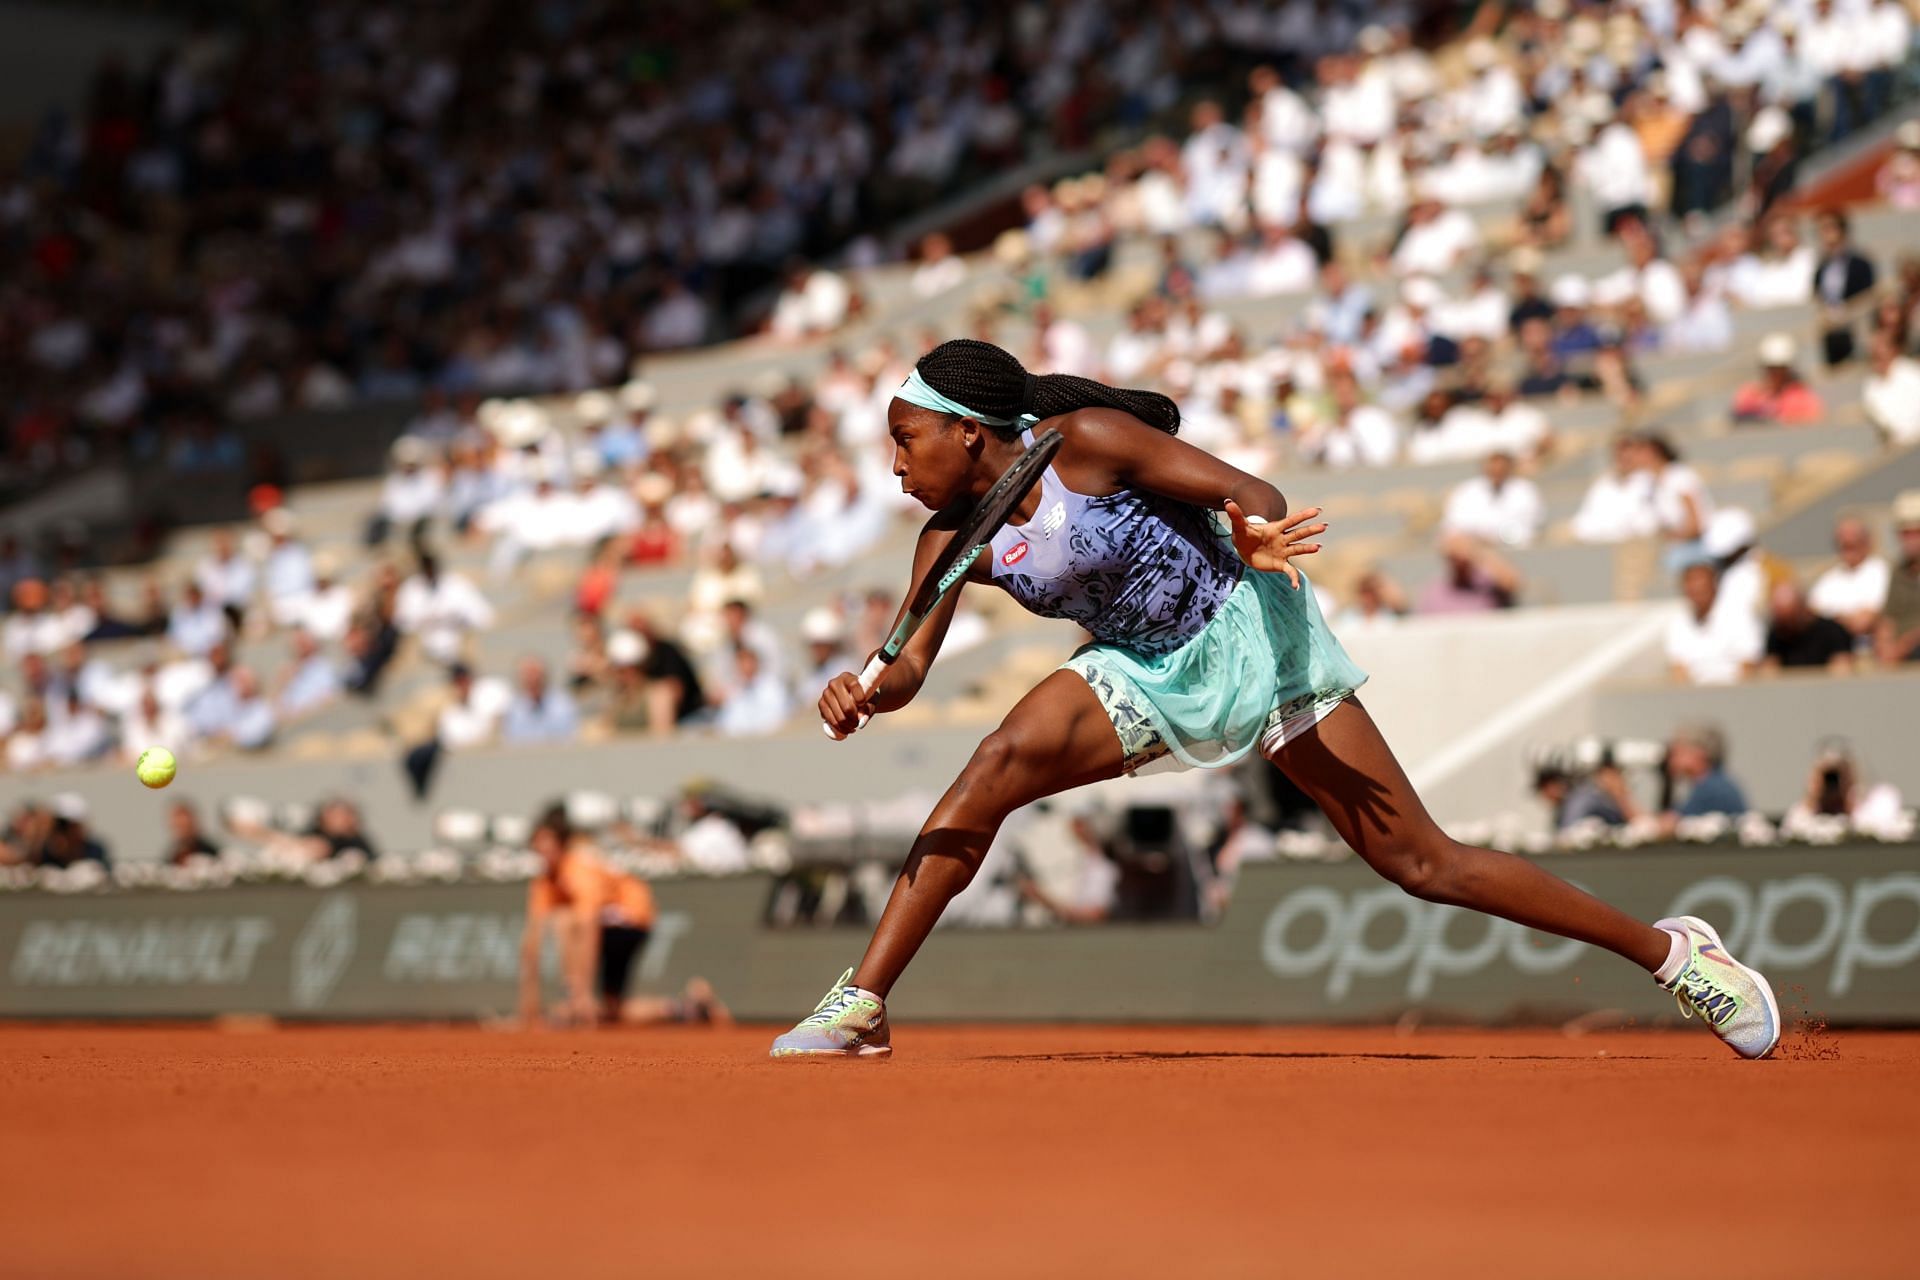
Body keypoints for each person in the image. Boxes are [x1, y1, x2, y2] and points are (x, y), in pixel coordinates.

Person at [770, 338, 1781, 1060]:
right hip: (1136, 667)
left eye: (906, 440)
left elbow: (1253, 493)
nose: (897, 466)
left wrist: (1251, 532)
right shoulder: (950, 539)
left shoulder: (1086, 440)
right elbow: (907, 666)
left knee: (1422, 861)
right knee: (992, 763)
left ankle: (1674, 953)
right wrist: (867, 689)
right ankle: (863, 1001)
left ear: (968, 429)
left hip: (1251, 627)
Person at [518, 805, 724, 1028]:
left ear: (562, 845)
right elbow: (531, 942)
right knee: (612, 1009)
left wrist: (582, 993)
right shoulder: (544, 881)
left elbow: (587, 927)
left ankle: (575, 999)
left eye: (549, 844)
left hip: (630, 916)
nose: (543, 850)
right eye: (538, 845)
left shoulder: (579, 869)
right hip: (609, 923)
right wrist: (528, 1008)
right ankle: (689, 1008)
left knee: (565, 921)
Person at [1667, 562, 1762, 686]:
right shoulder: (1678, 621)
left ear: (1714, 585)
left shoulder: (1739, 614)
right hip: (1694, 696)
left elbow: (1749, 663)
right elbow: (1678, 668)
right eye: (1692, 586)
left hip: (1735, 692)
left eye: (1702, 587)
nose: (1697, 590)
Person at [1808, 517, 1890, 639]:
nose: (1846, 541)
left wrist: (1831, 617)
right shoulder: (1828, 578)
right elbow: (1811, 617)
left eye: (1853, 539)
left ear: (1866, 541)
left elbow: (1863, 623)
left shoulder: (1880, 571)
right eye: (1842, 540)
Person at [1441, 450, 1543, 548]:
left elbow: (1529, 524)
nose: (1497, 472)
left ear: (1510, 468)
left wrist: (1497, 538)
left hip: (1513, 547)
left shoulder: (1526, 491)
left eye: (1501, 469)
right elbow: (1455, 522)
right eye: (1493, 468)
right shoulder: (1466, 491)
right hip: (1474, 550)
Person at [1731, 334, 1826, 426]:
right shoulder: (1750, 393)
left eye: (1780, 368)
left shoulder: (1802, 396)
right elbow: (1738, 415)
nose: (1775, 373)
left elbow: (1812, 418)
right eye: (1770, 368)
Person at [1762, 582, 1856, 673]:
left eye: (1788, 617)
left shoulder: (1832, 631)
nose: (1785, 624)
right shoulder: (1777, 633)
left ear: (1801, 608)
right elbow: (1769, 671)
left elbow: (1842, 671)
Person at [1876, 490, 1920, 665]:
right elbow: (1888, 618)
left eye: (1916, 532)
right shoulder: (1898, 571)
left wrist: (1904, 646)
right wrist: (1884, 645)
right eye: (1905, 533)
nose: (1910, 540)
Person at [163, 801, 219, 865]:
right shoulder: (172, 854)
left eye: (185, 826)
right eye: (179, 827)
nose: (183, 831)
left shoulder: (209, 851)